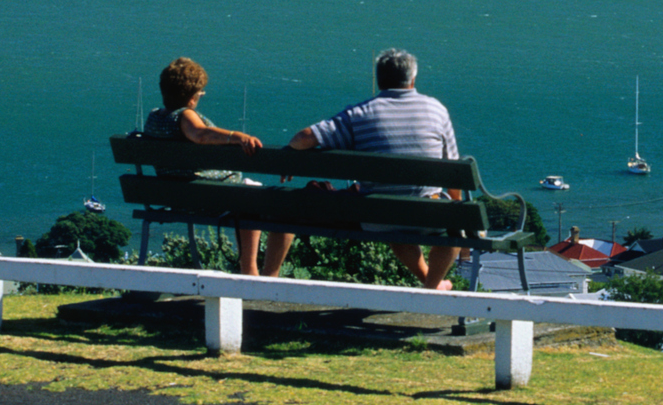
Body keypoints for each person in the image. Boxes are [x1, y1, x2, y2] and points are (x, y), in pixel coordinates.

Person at [263, 48, 464, 288]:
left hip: (376, 218)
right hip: (427, 216)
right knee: (447, 227)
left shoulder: (359, 114)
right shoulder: (437, 110)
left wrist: (290, 156)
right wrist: (458, 212)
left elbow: (303, 138)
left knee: (288, 206)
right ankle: (432, 287)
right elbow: (454, 173)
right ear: (413, 79)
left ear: (379, 79)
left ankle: (268, 281)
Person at [142, 56, 268, 276]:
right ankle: (249, 270)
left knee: (248, 191)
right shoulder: (185, 116)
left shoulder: (154, 118)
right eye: (200, 93)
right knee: (253, 196)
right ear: (192, 97)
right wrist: (236, 136)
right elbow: (199, 134)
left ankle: (250, 270)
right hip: (202, 198)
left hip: (174, 196)